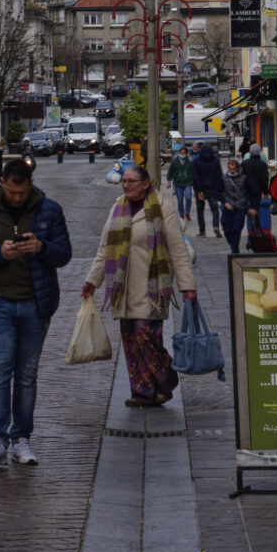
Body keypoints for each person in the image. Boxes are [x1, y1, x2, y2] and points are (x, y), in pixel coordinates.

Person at [0, 158, 74, 468]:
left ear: (30, 183)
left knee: (26, 374)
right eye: (11, 193)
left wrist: (42, 247)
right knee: (0, 369)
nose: (16, 198)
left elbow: (64, 254)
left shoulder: (50, 210)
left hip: (36, 303)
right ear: (4, 183)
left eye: (22, 194)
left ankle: (21, 439)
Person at [83, 164, 197, 408]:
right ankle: (143, 393)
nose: (126, 185)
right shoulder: (117, 208)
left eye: (131, 181)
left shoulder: (163, 210)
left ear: (146, 183)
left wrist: (188, 286)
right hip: (123, 288)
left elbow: (177, 251)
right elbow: (105, 249)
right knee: (131, 341)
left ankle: (166, 381)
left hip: (152, 287)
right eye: (124, 180)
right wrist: (92, 280)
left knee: (147, 338)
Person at [219, 155, 253, 256]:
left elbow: (250, 192)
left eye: (233, 169)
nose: (232, 171)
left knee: (237, 229)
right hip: (228, 207)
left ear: (237, 168)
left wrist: (251, 205)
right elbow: (218, 192)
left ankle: (235, 249)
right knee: (226, 228)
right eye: (230, 169)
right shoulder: (224, 178)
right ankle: (233, 244)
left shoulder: (244, 178)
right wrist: (225, 203)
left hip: (240, 207)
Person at [192, 143, 224, 238]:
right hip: (213, 188)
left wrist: (198, 190)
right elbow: (219, 176)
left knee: (200, 210)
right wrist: (221, 189)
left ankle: (202, 231)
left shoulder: (196, 162)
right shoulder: (216, 161)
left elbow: (195, 177)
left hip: (201, 189)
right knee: (215, 209)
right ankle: (215, 226)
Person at [167, 147, 195, 226]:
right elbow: (170, 171)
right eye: (181, 153)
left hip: (188, 182)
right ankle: (181, 214)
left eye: (184, 153)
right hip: (178, 183)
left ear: (186, 154)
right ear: (179, 153)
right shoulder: (175, 162)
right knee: (180, 200)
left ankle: (187, 212)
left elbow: (194, 171)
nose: (182, 154)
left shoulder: (189, 161)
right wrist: (169, 181)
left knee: (188, 197)